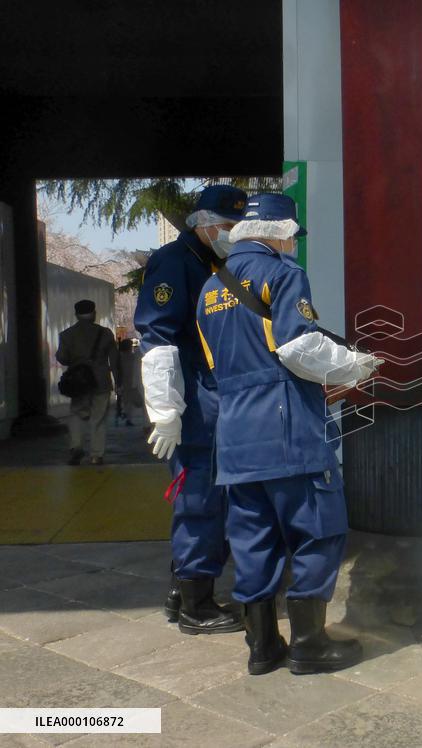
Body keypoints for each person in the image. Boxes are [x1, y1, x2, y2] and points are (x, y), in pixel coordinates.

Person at [196, 193, 378, 675]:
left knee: (253, 537)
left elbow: (215, 368)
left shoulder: (208, 290)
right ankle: (310, 644)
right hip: (286, 429)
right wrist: (355, 366)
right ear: (278, 232)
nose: (293, 243)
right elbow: (300, 348)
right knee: (319, 529)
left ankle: (261, 647)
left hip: (234, 438)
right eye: (291, 235)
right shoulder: (282, 273)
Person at [134, 185, 247, 635]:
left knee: (210, 497)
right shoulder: (174, 262)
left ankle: (183, 591)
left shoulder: (213, 262)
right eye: (227, 225)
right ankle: (196, 608)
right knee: (199, 499)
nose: (231, 232)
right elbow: (157, 337)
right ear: (202, 222)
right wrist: (165, 410)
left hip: (213, 398)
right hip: (195, 402)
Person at [56, 299, 119, 465]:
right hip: (101, 381)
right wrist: (119, 382)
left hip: (79, 382)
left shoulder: (66, 335)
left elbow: (62, 358)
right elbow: (114, 360)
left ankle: (76, 447)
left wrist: (76, 359)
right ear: (94, 313)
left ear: (76, 315)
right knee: (98, 418)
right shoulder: (106, 333)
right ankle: (96, 455)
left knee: (77, 414)